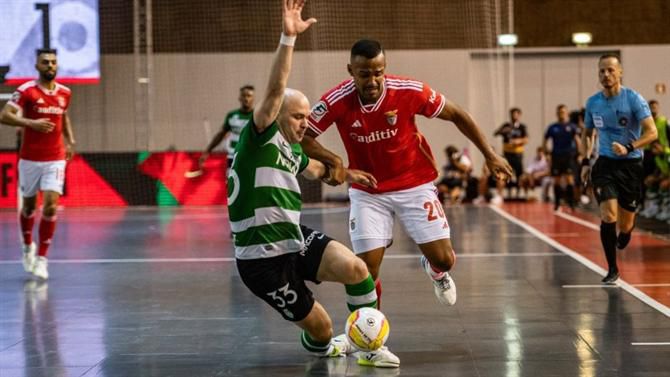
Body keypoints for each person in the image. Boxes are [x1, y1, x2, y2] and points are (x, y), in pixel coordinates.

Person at [228, 1, 399, 367]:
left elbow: (316, 170)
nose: (306, 123)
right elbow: (275, 90)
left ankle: (369, 347)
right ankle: (328, 346)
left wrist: (346, 172)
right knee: (321, 330)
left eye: (308, 116)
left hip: (291, 239)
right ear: (277, 115)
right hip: (261, 261)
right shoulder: (259, 137)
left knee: (358, 270)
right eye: (298, 116)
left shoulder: (291, 150)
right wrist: (288, 37)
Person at [300, 39, 513, 307]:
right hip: (369, 191)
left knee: (444, 259)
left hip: (414, 183)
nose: (373, 80)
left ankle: (435, 270)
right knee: (365, 271)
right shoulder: (336, 100)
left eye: (378, 72)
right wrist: (333, 159)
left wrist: (490, 154)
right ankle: (369, 337)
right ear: (350, 71)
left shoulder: (409, 91)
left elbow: (458, 114)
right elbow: (304, 136)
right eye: (364, 74)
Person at [580, 54, 658, 284]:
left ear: (620, 72)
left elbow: (651, 132)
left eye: (610, 70)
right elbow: (587, 133)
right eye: (602, 71)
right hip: (605, 164)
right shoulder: (593, 102)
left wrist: (629, 146)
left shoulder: (633, 99)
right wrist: (586, 161)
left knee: (625, 224)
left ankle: (625, 233)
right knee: (607, 214)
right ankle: (612, 268)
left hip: (631, 164)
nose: (606, 75)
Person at [0, 49, 75, 280]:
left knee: (51, 206)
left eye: (53, 62)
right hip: (30, 159)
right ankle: (26, 245)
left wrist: (70, 140)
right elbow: (5, 115)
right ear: (37, 66)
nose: (50, 66)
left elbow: (63, 115)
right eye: (45, 62)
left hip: (55, 157)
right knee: (30, 207)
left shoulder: (65, 92)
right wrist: (30, 122)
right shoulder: (26, 91)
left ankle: (42, 258)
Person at [199, 85, 255, 172]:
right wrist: (207, 151)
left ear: (253, 98)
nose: (246, 98)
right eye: (244, 95)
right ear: (239, 98)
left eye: (249, 96)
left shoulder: (257, 116)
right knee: (231, 183)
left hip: (250, 156)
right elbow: (220, 134)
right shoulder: (232, 115)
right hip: (232, 156)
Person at [543, 104, 581, 210]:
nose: (562, 114)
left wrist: (579, 154)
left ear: (567, 113)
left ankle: (571, 203)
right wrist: (547, 154)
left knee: (569, 179)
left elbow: (577, 140)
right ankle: (557, 203)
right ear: (557, 114)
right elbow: (545, 140)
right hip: (556, 155)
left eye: (563, 112)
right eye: (560, 112)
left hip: (568, 156)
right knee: (557, 180)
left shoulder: (572, 126)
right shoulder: (552, 127)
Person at [494, 107, 529, 198]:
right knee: (504, 172)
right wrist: (503, 131)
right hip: (507, 154)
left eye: (516, 114)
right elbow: (496, 133)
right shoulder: (506, 125)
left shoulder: (522, 127)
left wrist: (517, 141)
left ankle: (522, 193)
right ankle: (499, 195)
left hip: (517, 154)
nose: (514, 116)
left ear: (519, 115)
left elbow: (526, 139)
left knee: (520, 174)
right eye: (513, 114)